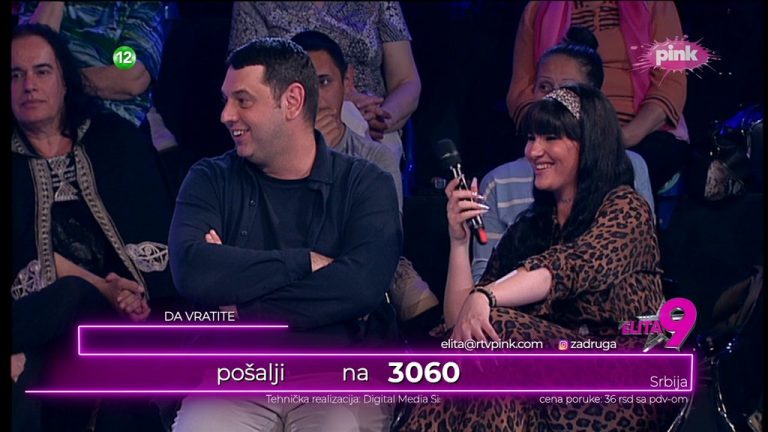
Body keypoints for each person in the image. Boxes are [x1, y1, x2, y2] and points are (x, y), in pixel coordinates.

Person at [401, 84, 675, 430]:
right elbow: (462, 324)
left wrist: (486, 296)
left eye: (550, 138)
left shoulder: (625, 208)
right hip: (545, 384)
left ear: (589, 143)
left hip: (622, 381)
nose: (533, 151)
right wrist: (459, 242)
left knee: (498, 328)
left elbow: (569, 267)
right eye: (531, 138)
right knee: (483, 367)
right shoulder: (531, 227)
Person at [168, 38, 401, 431]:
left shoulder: (365, 184)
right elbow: (192, 270)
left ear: (292, 101)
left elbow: (360, 286)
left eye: (243, 101)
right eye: (226, 100)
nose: (226, 115)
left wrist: (242, 312)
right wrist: (304, 263)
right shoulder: (209, 179)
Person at [11, 23, 174, 432]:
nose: (29, 85)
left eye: (42, 71)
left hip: (121, 310)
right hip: (40, 313)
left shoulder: (115, 141)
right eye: (15, 75)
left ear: (65, 81)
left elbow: (153, 225)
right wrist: (103, 288)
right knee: (70, 302)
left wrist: (123, 293)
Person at [472, 26, 655, 280]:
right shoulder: (512, 197)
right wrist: (459, 242)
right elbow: (483, 283)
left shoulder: (626, 198)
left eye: (567, 89)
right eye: (544, 86)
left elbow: (578, 268)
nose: (553, 98)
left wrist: (494, 296)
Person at [291, 29, 438, 322]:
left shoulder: (376, 158)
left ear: (347, 82)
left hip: (361, 268)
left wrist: (327, 158)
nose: (315, 97)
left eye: (324, 82)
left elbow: (383, 240)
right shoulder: (266, 158)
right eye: (303, 85)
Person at [507, 1, 689, 195]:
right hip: (559, 128)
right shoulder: (537, 8)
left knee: (625, 170)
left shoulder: (657, 5)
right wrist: (551, 130)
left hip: (639, 134)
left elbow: (671, 85)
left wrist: (620, 138)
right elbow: (521, 92)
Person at [228, 1, 421, 161]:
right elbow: (245, 81)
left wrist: (380, 118)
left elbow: (406, 81)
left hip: (374, 124)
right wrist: (337, 97)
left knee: (374, 152)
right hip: (295, 115)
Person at [19, 1, 165, 129]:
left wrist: (60, 82)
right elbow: (29, 62)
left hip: (113, 124)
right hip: (47, 124)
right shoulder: (39, 5)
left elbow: (132, 78)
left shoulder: (139, 4)